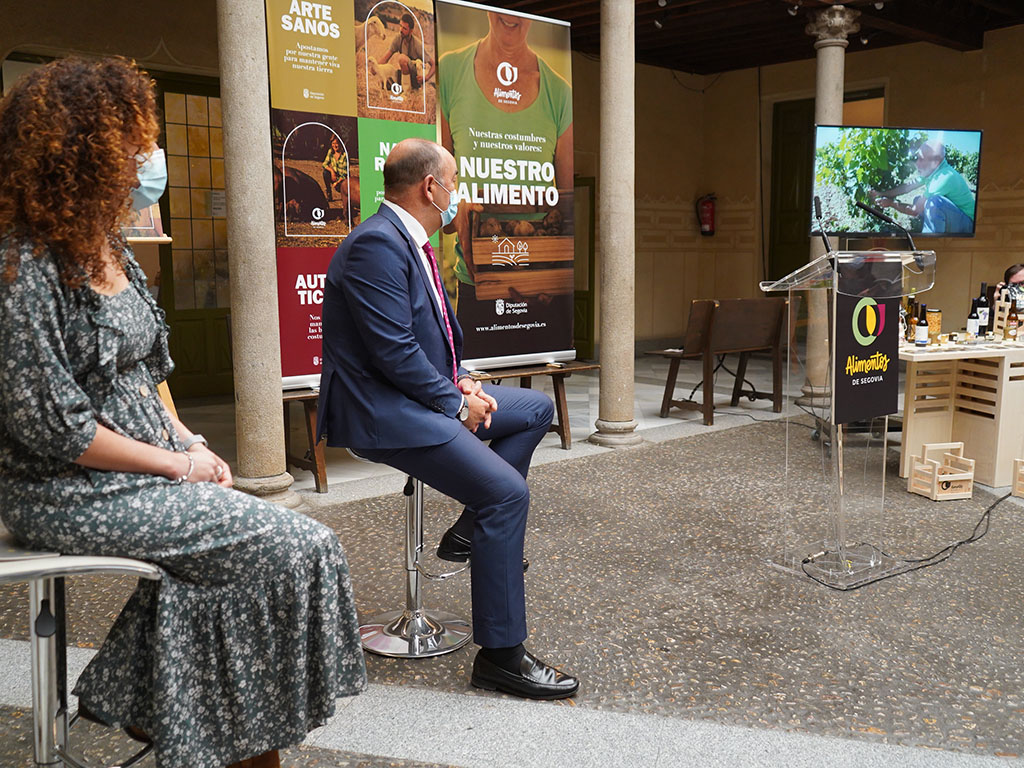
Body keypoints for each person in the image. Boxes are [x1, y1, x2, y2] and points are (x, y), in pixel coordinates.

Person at [0, 57, 366, 768]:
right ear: (82, 151)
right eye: (134, 143)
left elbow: (146, 374)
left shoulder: (105, 248)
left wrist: (192, 441)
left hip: (146, 467)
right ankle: (238, 745)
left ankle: (171, 718)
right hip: (65, 488)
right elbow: (55, 428)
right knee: (290, 548)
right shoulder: (22, 266)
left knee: (265, 554)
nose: (147, 160)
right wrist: (176, 465)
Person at [317, 138, 579, 700]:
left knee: (536, 407)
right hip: (382, 412)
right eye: (453, 183)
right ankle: (502, 657)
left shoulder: (409, 242)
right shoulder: (376, 246)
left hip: (421, 395)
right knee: (506, 495)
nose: (457, 194)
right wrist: (457, 403)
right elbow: (392, 351)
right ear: (429, 188)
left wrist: (461, 379)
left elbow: (427, 337)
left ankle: (466, 532)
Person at [438, 11, 573, 321]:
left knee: (539, 365)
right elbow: (440, 198)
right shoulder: (451, 70)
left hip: (541, 284)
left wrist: (552, 272)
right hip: (478, 279)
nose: (509, 16)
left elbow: (565, 207)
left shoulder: (559, 92)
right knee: (473, 370)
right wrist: (458, 211)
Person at [868, 139, 975, 234]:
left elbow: (914, 210)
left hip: (968, 225)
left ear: (936, 161)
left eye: (921, 159)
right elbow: (906, 187)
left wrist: (891, 203)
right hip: (955, 216)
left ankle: (931, 243)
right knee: (918, 200)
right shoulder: (933, 170)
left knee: (934, 203)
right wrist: (881, 193)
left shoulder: (943, 178)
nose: (917, 163)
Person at [379, 11, 433, 90]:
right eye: (400, 26)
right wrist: (375, 67)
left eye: (404, 28)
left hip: (415, 78)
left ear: (411, 31)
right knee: (384, 82)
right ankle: (403, 86)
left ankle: (407, 91)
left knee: (402, 58)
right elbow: (386, 57)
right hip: (404, 74)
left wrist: (426, 78)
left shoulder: (417, 44)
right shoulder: (398, 38)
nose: (401, 30)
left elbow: (434, 64)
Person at [322, 135, 348, 203]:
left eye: (336, 143)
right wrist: (332, 171)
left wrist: (337, 182)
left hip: (342, 179)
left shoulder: (345, 155)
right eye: (333, 143)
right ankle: (329, 192)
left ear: (340, 143)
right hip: (334, 176)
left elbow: (345, 173)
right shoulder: (330, 151)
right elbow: (324, 164)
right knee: (325, 173)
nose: (335, 146)